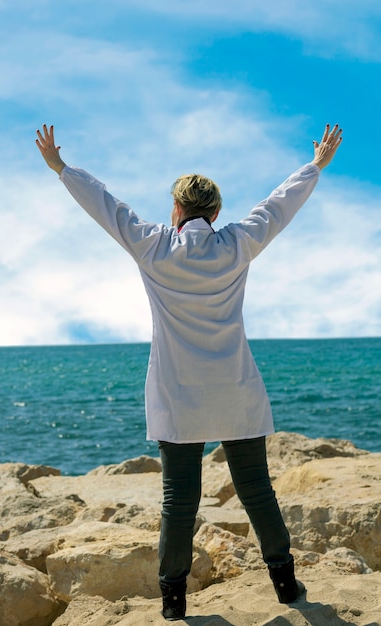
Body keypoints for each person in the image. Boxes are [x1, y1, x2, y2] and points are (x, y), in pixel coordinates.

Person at [36, 123, 342, 621]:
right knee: (257, 490)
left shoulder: (153, 246)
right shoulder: (237, 243)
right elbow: (279, 205)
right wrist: (315, 165)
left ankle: (174, 600)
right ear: (215, 212)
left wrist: (62, 168)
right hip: (235, 391)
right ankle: (286, 586)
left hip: (179, 395)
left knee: (179, 498)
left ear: (176, 209)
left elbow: (106, 206)